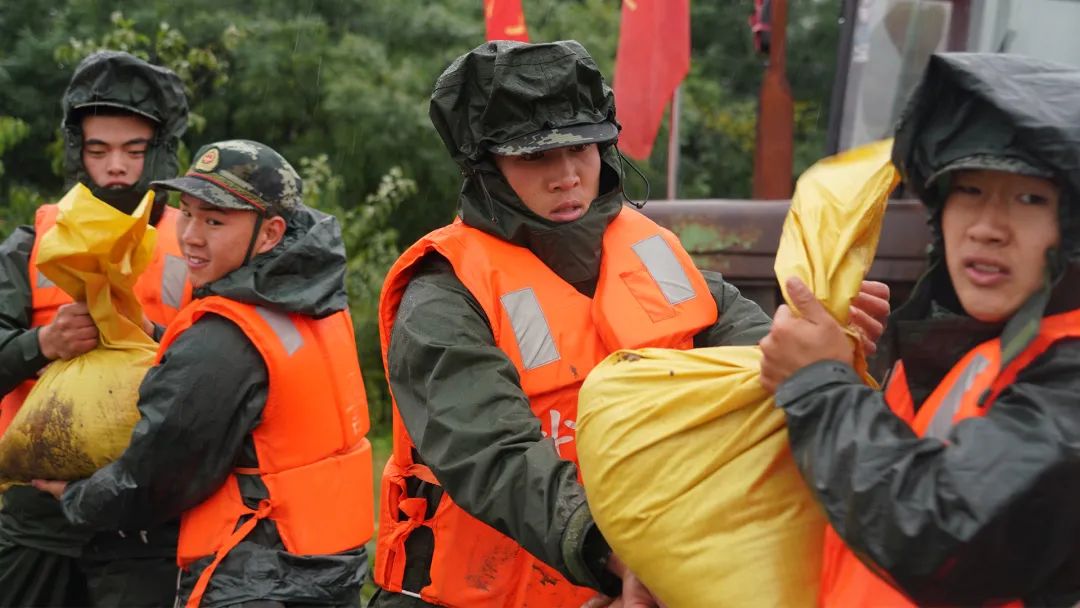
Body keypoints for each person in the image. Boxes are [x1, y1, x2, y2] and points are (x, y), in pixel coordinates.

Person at [371, 40, 890, 608]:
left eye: (585, 148)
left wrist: (820, 340)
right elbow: (496, 459)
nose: (568, 175)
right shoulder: (443, 296)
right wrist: (627, 557)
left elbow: (760, 362)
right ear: (483, 167)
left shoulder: (655, 252)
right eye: (535, 156)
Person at [759, 53, 1080, 606]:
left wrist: (820, 386)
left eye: (1030, 198)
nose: (987, 228)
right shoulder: (972, 347)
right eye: (969, 191)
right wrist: (854, 372)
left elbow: (940, 531)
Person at [33, 140, 375, 608]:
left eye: (214, 221)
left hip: (254, 579)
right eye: (188, 213)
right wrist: (155, 334)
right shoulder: (310, 302)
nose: (191, 235)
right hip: (326, 571)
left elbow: (155, 478)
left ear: (272, 232)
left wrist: (75, 496)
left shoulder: (223, 340)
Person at [0, 49, 190, 607]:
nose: (115, 167)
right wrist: (43, 344)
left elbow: (224, 367)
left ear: (159, 151)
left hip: (148, 520)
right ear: (76, 152)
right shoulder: (30, 244)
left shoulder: (198, 244)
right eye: (98, 149)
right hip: (39, 518)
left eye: (134, 151)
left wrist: (153, 336)